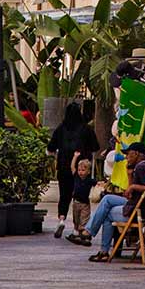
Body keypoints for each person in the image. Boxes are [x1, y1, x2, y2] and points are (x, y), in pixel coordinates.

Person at [87, 146, 145, 261]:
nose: (126, 157)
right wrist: (129, 175)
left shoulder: (143, 167)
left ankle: (100, 247)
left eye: (128, 154)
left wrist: (133, 186)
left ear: (136, 153)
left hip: (140, 212)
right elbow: (130, 195)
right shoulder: (139, 168)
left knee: (107, 214)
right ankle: (90, 234)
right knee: (107, 199)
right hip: (136, 204)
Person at [49, 102, 99, 239]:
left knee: (64, 196)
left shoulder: (60, 128)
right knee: (81, 199)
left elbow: (51, 147)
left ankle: (61, 220)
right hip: (82, 170)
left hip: (64, 168)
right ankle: (80, 227)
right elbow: (95, 147)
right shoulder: (86, 129)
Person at [66, 155, 94, 244]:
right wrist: (75, 157)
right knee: (76, 219)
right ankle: (77, 232)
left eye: (83, 170)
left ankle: (84, 234)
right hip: (76, 202)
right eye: (79, 170)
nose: (80, 172)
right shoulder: (76, 177)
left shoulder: (89, 180)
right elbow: (72, 167)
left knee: (84, 219)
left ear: (88, 171)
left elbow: (98, 183)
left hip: (85, 204)